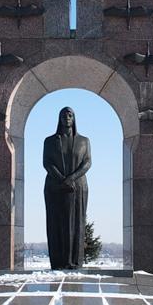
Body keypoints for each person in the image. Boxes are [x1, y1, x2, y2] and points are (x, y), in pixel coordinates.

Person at [42, 107, 91, 269]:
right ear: (59, 119)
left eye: (70, 115)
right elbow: (47, 163)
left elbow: (87, 162)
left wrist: (71, 178)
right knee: (57, 223)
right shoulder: (49, 141)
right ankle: (58, 262)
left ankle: (74, 261)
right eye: (64, 115)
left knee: (76, 223)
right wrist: (62, 179)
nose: (67, 118)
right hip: (55, 187)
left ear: (74, 118)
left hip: (77, 188)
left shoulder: (84, 141)